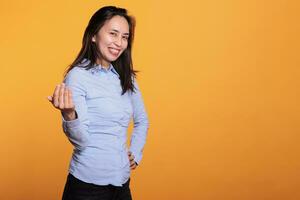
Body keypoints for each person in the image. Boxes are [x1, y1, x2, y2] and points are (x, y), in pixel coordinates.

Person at [47, 6, 149, 200]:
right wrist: (69, 114)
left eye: (125, 37)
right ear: (94, 35)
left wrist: (135, 153)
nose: (119, 43)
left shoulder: (127, 78)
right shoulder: (77, 76)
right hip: (86, 187)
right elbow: (82, 141)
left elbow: (142, 120)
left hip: (121, 184)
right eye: (113, 34)